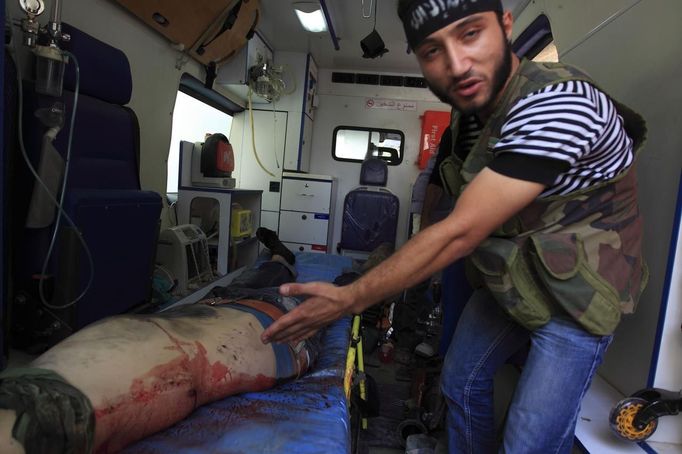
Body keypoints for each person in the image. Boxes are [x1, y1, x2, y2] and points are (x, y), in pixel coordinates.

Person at [262, 1, 647, 452]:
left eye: (470, 34)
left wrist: (351, 298)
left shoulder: (559, 104)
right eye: (432, 50)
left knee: (529, 441)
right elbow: (445, 201)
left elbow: (461, 229)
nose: (457, 64)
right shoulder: (472, 117)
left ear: (505, 27)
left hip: (579, 296)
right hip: (519, 278)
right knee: (460, 382)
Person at [0, 228, 366, 454]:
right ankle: (282, 257)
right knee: (266, 274)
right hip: (219, 303)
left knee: (311, 294)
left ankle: (340, 277)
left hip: (268, 313)